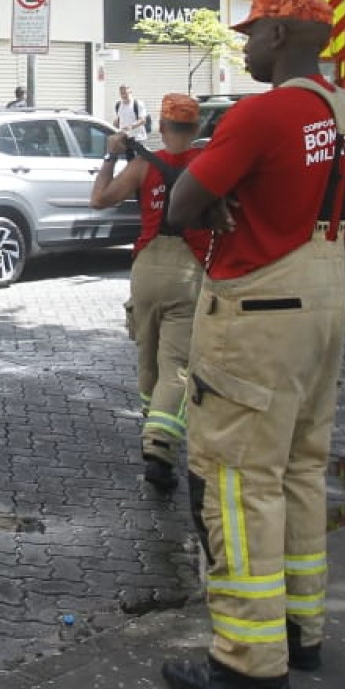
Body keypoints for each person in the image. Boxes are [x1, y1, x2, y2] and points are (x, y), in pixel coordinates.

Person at [160, 0, 345, 689]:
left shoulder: (264, 112)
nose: (244, 47)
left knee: (240, 483)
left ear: (280, 34)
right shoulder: (340, 107)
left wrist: (215, 199)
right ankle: (301, 629)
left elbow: (181, 204)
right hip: (323, 300)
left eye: (251, 35)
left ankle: (248, 659)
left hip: (259, 313)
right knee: (302, 469)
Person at [89, 92, 211, 493]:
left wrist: (110, 156)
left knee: (148, 356)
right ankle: (159, 446)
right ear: (195, 128)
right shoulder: (205, 165)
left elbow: (99, 200)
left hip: (144, 269)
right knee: (176, 364)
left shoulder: (143, 166)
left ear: (161, 126)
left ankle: (151, 424)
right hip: (189, 268)